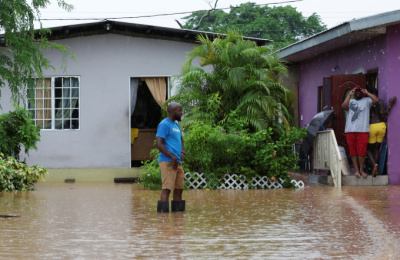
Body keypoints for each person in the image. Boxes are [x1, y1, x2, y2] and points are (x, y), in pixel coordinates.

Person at [342, 85, 378, 178]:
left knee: (362, 152)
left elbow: (376, 100)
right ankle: (356, 171)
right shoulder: (351, 101)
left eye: (359, 91)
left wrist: (367, 93)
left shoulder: (366, 101)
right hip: (350, 131)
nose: (358, 92)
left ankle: (362, 170)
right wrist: (350, 95)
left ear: (361, 92)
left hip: (363, 131)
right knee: (353, 152)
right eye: (356, 91)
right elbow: (344, 106)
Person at [155, 102, 185, 213]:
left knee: (179, 189)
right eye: (179, 110)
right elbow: (159, 144)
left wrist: (182, 151)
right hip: (167, 162)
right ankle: (163, 219)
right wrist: (172, 157)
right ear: (173, 112)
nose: (181, 113)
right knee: (167, 189)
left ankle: (178, 219)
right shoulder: (164, 124)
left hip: (177, 161)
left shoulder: (176, 125)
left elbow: (181, 139)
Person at [367, 89, 397, 177]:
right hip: (382, 126)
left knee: (368, 149)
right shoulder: (380, 101)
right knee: (376, 149)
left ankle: (374, 165)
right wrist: (391, 104)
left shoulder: (368, 103)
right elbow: (383, 114)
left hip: (372, 126)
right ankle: (376, 165)